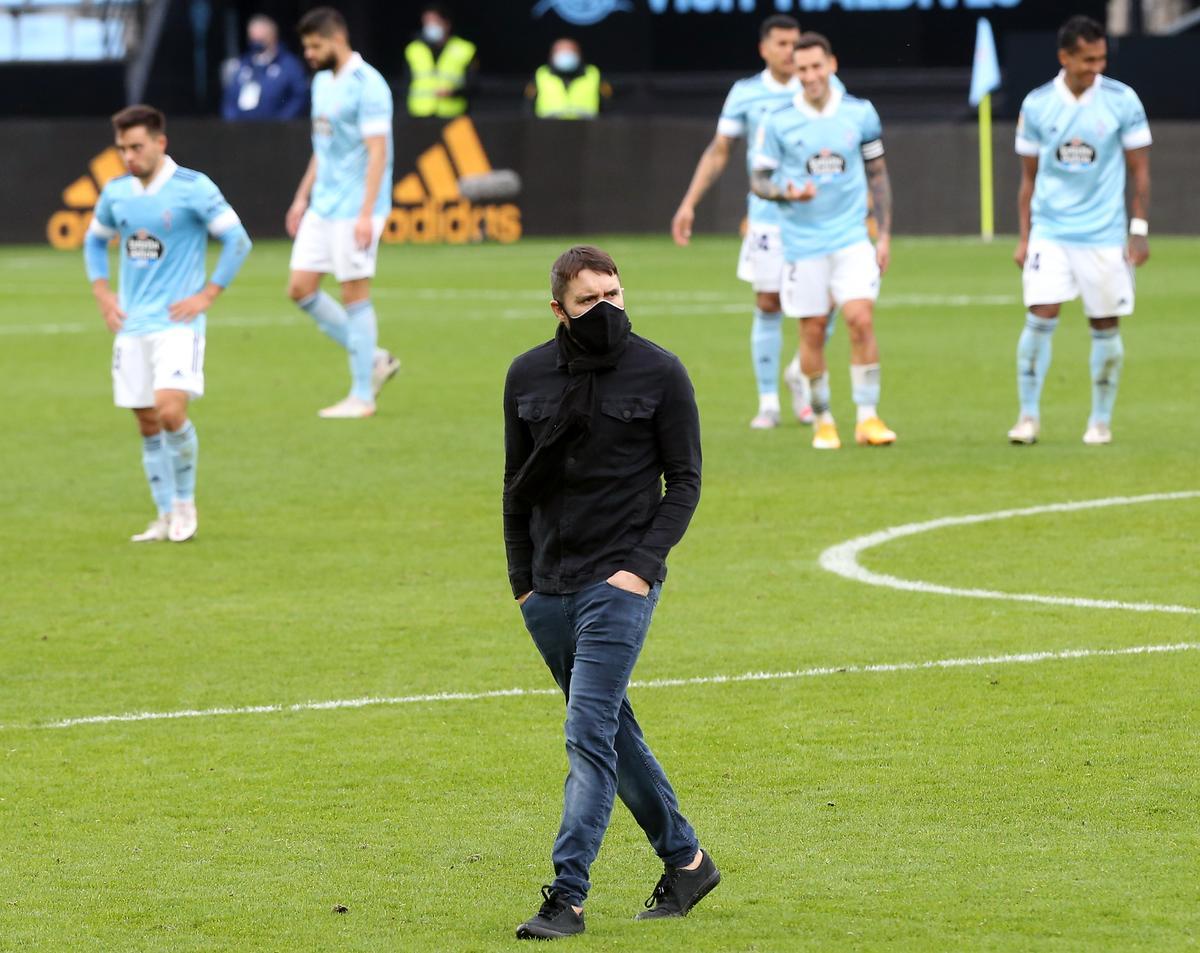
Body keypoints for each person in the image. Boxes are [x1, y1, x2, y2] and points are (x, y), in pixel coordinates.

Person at [503, 246, 717, 940]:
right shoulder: (527, 374)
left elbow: (684, 480)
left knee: (587, 731)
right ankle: (688, 859)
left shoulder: (661, 371)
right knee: (612, 729)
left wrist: (641, 566)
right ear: (559, 308)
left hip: (619, 583)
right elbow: (515, 489)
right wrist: (522, 585)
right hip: (547, 589)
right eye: (591, 300)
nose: (607, 309)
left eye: (615, 294)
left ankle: (566, 896)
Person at [83, 104, 252, 542]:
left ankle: (184, 504)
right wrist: (103, 294)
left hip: (178, 323)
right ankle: (162, 515)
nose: (128, 156)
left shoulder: (193, 189)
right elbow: (94, 242)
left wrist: (208, 294)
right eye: (122, 148)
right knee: (146, 422)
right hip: (132, 324)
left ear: (161, 143)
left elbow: (237, 239)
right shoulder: (117, 193)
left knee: (170, 410)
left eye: (136, 147)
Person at [671, 14, 843, 430]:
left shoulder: (826, 88)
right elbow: (719, 150)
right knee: (768, 303)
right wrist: (689, 202)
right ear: (764, 49)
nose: (789, 51)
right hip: (769, 217)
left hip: (820, 217)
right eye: (781, 44)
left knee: (830, 300)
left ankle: (800, 371)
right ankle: (768, 401)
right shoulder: (747, 94)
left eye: (794, 43)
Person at [1007, 15, 1151, 447]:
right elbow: (1028, 180)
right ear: (1064, 57)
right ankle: (1027, 417)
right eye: (1088, 59)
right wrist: (1025, 236)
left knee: (1105, 323)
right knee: (1040, 315)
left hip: (1104, 234)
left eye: (1101, 58)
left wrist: (1138, 228)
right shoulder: (1036, 105)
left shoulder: (1122, 101)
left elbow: (1139, 170)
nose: (1096, 67)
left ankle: (1100, 420)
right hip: (1051, 230)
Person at [751, 32, 895, 450]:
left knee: (860, 319)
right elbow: (759, 179)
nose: (811, 76)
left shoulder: (860, 113)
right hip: (802, 244)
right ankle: (823, 418)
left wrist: (882, 235)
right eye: (802, 69)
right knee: (812, 331)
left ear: (832, 65)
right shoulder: (778, 121)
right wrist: (785, 191)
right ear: (793, 73)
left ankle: (868, 417)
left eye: (817, 66)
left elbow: (878, 175)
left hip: (851, 237)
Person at [286, 7, 400, 419]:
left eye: (315, 46)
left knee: (354, 293)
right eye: (306, 46)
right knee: (300, 288)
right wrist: (302, 198)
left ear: (337, 39)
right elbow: (323, 148)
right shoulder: (321, 83)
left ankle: (361, 396)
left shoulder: (368, 85)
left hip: (356, 207)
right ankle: (374, 358)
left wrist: (367, 213)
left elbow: (378, 153)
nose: (309, 53)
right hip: (323, 204)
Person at [221, 14, 309, 121]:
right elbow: (229, 99)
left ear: (272, 36)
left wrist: (281, 122)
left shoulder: (289, 65)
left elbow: (299, 96)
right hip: (241, 131)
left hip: (277, 131)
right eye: (253, 38)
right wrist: (232, 123)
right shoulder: (243, 64)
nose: (256, 42)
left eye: (261, 38)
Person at [404, 4, 477, 118]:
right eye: (427, 22)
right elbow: (405, 84)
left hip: (454, 116)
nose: (430, 26)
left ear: (446, 24)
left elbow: (474, 85)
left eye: (435, 21)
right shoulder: (414, 49)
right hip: (419, 116)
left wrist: (454, 93)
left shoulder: (464, 49)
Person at [526, 38, 610, 119]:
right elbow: (527, 108)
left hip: (587, 130)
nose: (565, 55)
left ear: (579, 54)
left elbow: (608, 108)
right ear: (552, 55)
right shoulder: (541, 74)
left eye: (570, 51)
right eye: (561, 52)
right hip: (546, 130)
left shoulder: (593, 74)